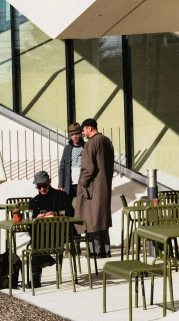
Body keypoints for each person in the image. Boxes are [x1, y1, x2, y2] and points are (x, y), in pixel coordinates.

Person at [26, 170, 74, 287]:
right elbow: (29, 224)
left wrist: (56, 214)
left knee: (36, 244)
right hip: (41, 236)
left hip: (59, 233)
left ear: (50, 182)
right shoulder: (34, 201)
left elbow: (70, 212)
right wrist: (36, 218)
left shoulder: (61, 196)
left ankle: (39, 271)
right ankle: (42, 265)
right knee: (36, 239)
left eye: (44, 185)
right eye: (39, 186)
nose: (42, 189)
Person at [75, 118, 114, 258]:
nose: (83, 133)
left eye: (84, 130)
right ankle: (106, 250)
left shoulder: (91, 143)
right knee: (102, 219)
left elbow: (88, 168)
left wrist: (82, 184)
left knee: (91, 220)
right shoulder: (106, 140)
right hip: (105, 185)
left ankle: (95, 251)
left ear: (90, 128)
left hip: (92, 188)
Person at [58, 122, 85, 197]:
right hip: (69, 183)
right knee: (69, 206)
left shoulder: (86, 147)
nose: (75, 137)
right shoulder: (67, 148)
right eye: (72, 135)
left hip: (82, 183)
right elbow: (62, 167)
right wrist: (61, 184)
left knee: (82, 206)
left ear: (81, 134)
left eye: (77, 134)